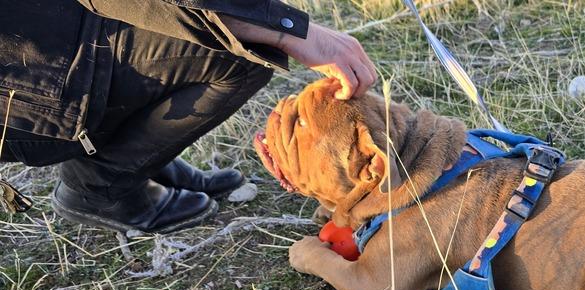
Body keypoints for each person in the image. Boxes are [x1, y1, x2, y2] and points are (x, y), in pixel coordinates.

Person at [0, 0, 376, 233]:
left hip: (49, 21)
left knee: (205, 29)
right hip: (24, 81)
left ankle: (135, 158)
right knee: (240, 51)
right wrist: (285, 29)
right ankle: (99, 185)